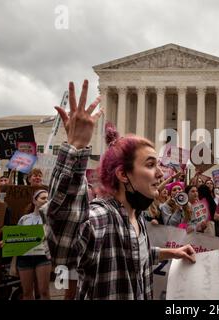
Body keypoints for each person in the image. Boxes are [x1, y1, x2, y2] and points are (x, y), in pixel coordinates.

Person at [42, 80, 195, 300]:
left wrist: (170, 252)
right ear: (123, 175)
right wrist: (75, 147)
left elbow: (134, 254)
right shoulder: (103, 217)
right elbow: (65, 249)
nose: (161, 174)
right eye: (151, 165)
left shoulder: (136, 216)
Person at [16, 189, 52, 300]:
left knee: (44, 292)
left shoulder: (51, 219)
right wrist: (7, 242)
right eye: (42, 198)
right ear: (34, 201)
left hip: (43, 258)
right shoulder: (24, 219)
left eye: (47, 198)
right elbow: (16, 238)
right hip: (25, 258)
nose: (46, 200)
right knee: (26, 293)